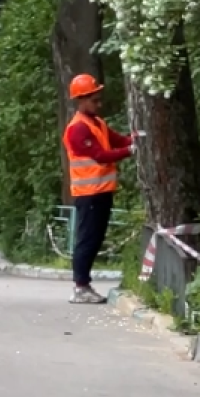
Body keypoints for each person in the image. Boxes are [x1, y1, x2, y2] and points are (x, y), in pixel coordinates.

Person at [63, 74, 132, 304]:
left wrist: (136, 140)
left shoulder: (97, 123)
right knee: (88, 240)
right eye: (94, 100)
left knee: (95, 238)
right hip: (89, 194)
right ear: (81, 100)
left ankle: (84, 285)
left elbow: (119, 140)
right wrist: (132, 150)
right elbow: (101, 156)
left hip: (101, 191)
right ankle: (80, 287)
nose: (98, 104)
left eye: (99, 99)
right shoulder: (78, 129)